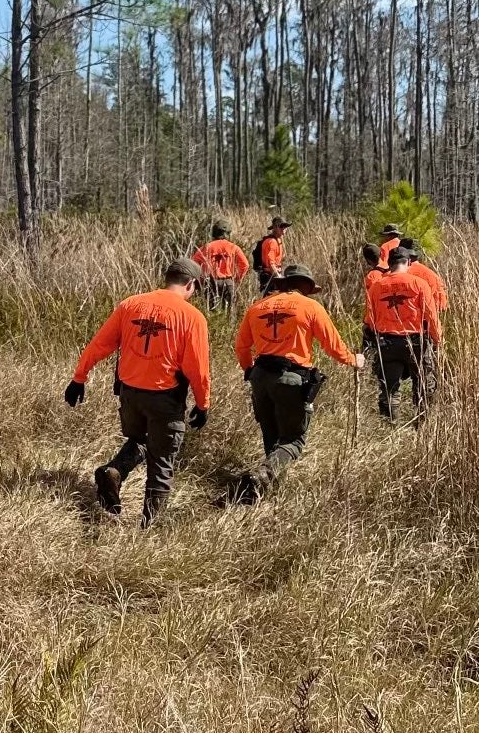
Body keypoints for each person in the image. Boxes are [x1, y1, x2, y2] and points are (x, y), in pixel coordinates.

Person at [65, 258, 210, 527]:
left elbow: (99, 345)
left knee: (141, 439)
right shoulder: (192, 317)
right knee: (162, 463)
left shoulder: (130, 304)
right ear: (190, 284)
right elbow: (198, 369)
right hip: (164, 398)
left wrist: (79, 378)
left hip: (130, 395)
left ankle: (115, 470)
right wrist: (202, 404)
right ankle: (149, 529)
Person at [230, 264, 364, 503]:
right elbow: (333, 346)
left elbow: (241, 347)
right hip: (291, 379)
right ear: (305, 286)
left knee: (271, 435)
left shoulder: (257, 307)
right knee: (293, 440)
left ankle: (261, 493)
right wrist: (355, 360)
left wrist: (250, 371)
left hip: (260, 377)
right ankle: (263, 476)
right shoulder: (311, 307)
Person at [366, 246, 442, 420]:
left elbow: (370, 320)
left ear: (389, 264)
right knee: (423, 384)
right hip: (416, 342)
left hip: (387, 343)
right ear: (408, 262)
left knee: (389, 388)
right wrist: (438, 340)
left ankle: (390, 426)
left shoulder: (376, 286)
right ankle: (422, 424)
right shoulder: (419, 284)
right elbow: (431, 316)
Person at [191, 219, 250, 310]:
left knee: (210, 309)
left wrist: (201, 280)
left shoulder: (206, 247)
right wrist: (237, 279)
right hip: (229, 282)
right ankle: (230, 324)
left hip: (211, 282)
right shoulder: (234, 247)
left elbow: (194, 264)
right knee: (230, 311)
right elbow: (245, 265)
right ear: (228, 233)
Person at [398, 238, 448, 311]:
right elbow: (442, 306)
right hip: (426, 319)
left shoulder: (395, 274)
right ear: (418, 254)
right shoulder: (432, 275)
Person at [255, 216, 289, 293]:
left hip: (272, 275)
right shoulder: (272, 242)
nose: (284, 228)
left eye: (285, 226)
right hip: (270, 277)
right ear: (275, 228)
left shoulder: (278, 240)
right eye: (281, 226)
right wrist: (278, 277)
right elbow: (271, 263)